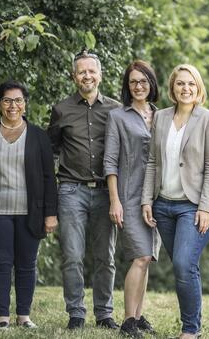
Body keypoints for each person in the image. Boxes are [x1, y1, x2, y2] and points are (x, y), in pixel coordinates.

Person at [0, 80, 58, 329]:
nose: (13, 105)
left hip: (32, 212)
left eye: (18, 100)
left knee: (27, 264)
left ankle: (24, 316)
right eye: (7, 100)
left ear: (25, 104)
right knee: (0, 263)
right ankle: (2, 317)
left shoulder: (38, 136)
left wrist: (51, 214)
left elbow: (50, 178)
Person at [141, 64, 209, 339]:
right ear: (172, 88)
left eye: (191, 84)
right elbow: (152, 161)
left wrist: (205, 207)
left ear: (198, 88)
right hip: (163, 204)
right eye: (180, 84)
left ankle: (190, 330)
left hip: (194, 205)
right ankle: (192, 324)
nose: (186, 88)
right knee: (184, 266)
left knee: (183, 263)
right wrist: (146, 200)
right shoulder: (161, 117)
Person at [47, 50, 121, 330]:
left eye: (92, 71)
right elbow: (51, 150)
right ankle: (76, 314)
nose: (87, 76)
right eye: (82, 72)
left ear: (100, 75)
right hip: (70, 190)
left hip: (106, 192)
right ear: (74, 76)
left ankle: (104, 314)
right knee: (73, 255)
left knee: (106, 256)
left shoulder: (115, 110)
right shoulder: (61, 109)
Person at [104, 60, 161, 338]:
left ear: (152, 83)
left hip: (157, 197)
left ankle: (138, 316)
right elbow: (110, 161)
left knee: (147, 257)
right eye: (133, 82)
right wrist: (115, 200)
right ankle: (127, 321)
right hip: (129, 195)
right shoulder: (118, 116)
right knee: (139, 256)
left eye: (143, 81)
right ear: (127, 87)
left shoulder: (161, 115)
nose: (139, 86)